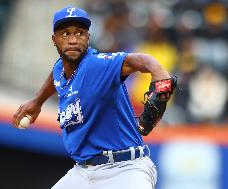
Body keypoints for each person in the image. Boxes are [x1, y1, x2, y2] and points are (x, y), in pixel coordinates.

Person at [13, 6, 174, 189]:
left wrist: (161, 76)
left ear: (88, 38)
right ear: (54, 39)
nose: (73, 40)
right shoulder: (61, 68)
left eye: (79, 33)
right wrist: (37, 101)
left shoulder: (98, 65)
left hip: (125, 169)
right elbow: (56, 75)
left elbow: (145, 61)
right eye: (65, 34)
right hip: (83, 172)